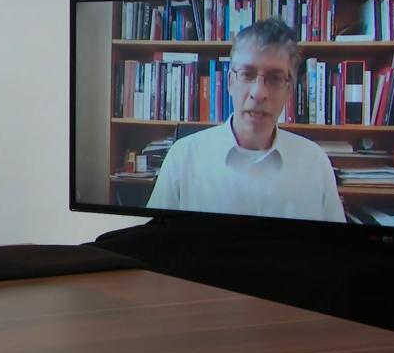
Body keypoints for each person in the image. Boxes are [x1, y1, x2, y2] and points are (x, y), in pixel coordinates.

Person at [147, 18, 345, 223]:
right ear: (230, 82)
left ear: (289, 91)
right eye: (247, 74)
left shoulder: (315, 162)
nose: (258, 93)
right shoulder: (183, 157)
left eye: (275, 78)